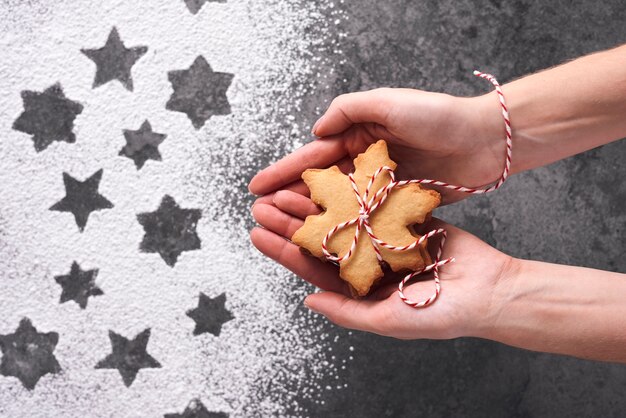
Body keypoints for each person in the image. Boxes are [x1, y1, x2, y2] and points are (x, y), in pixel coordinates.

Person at [248, 44, 626, 363]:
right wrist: (484, 131)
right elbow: (322, 184)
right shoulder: (330, 190)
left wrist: (501, 297)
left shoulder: (407, 200)